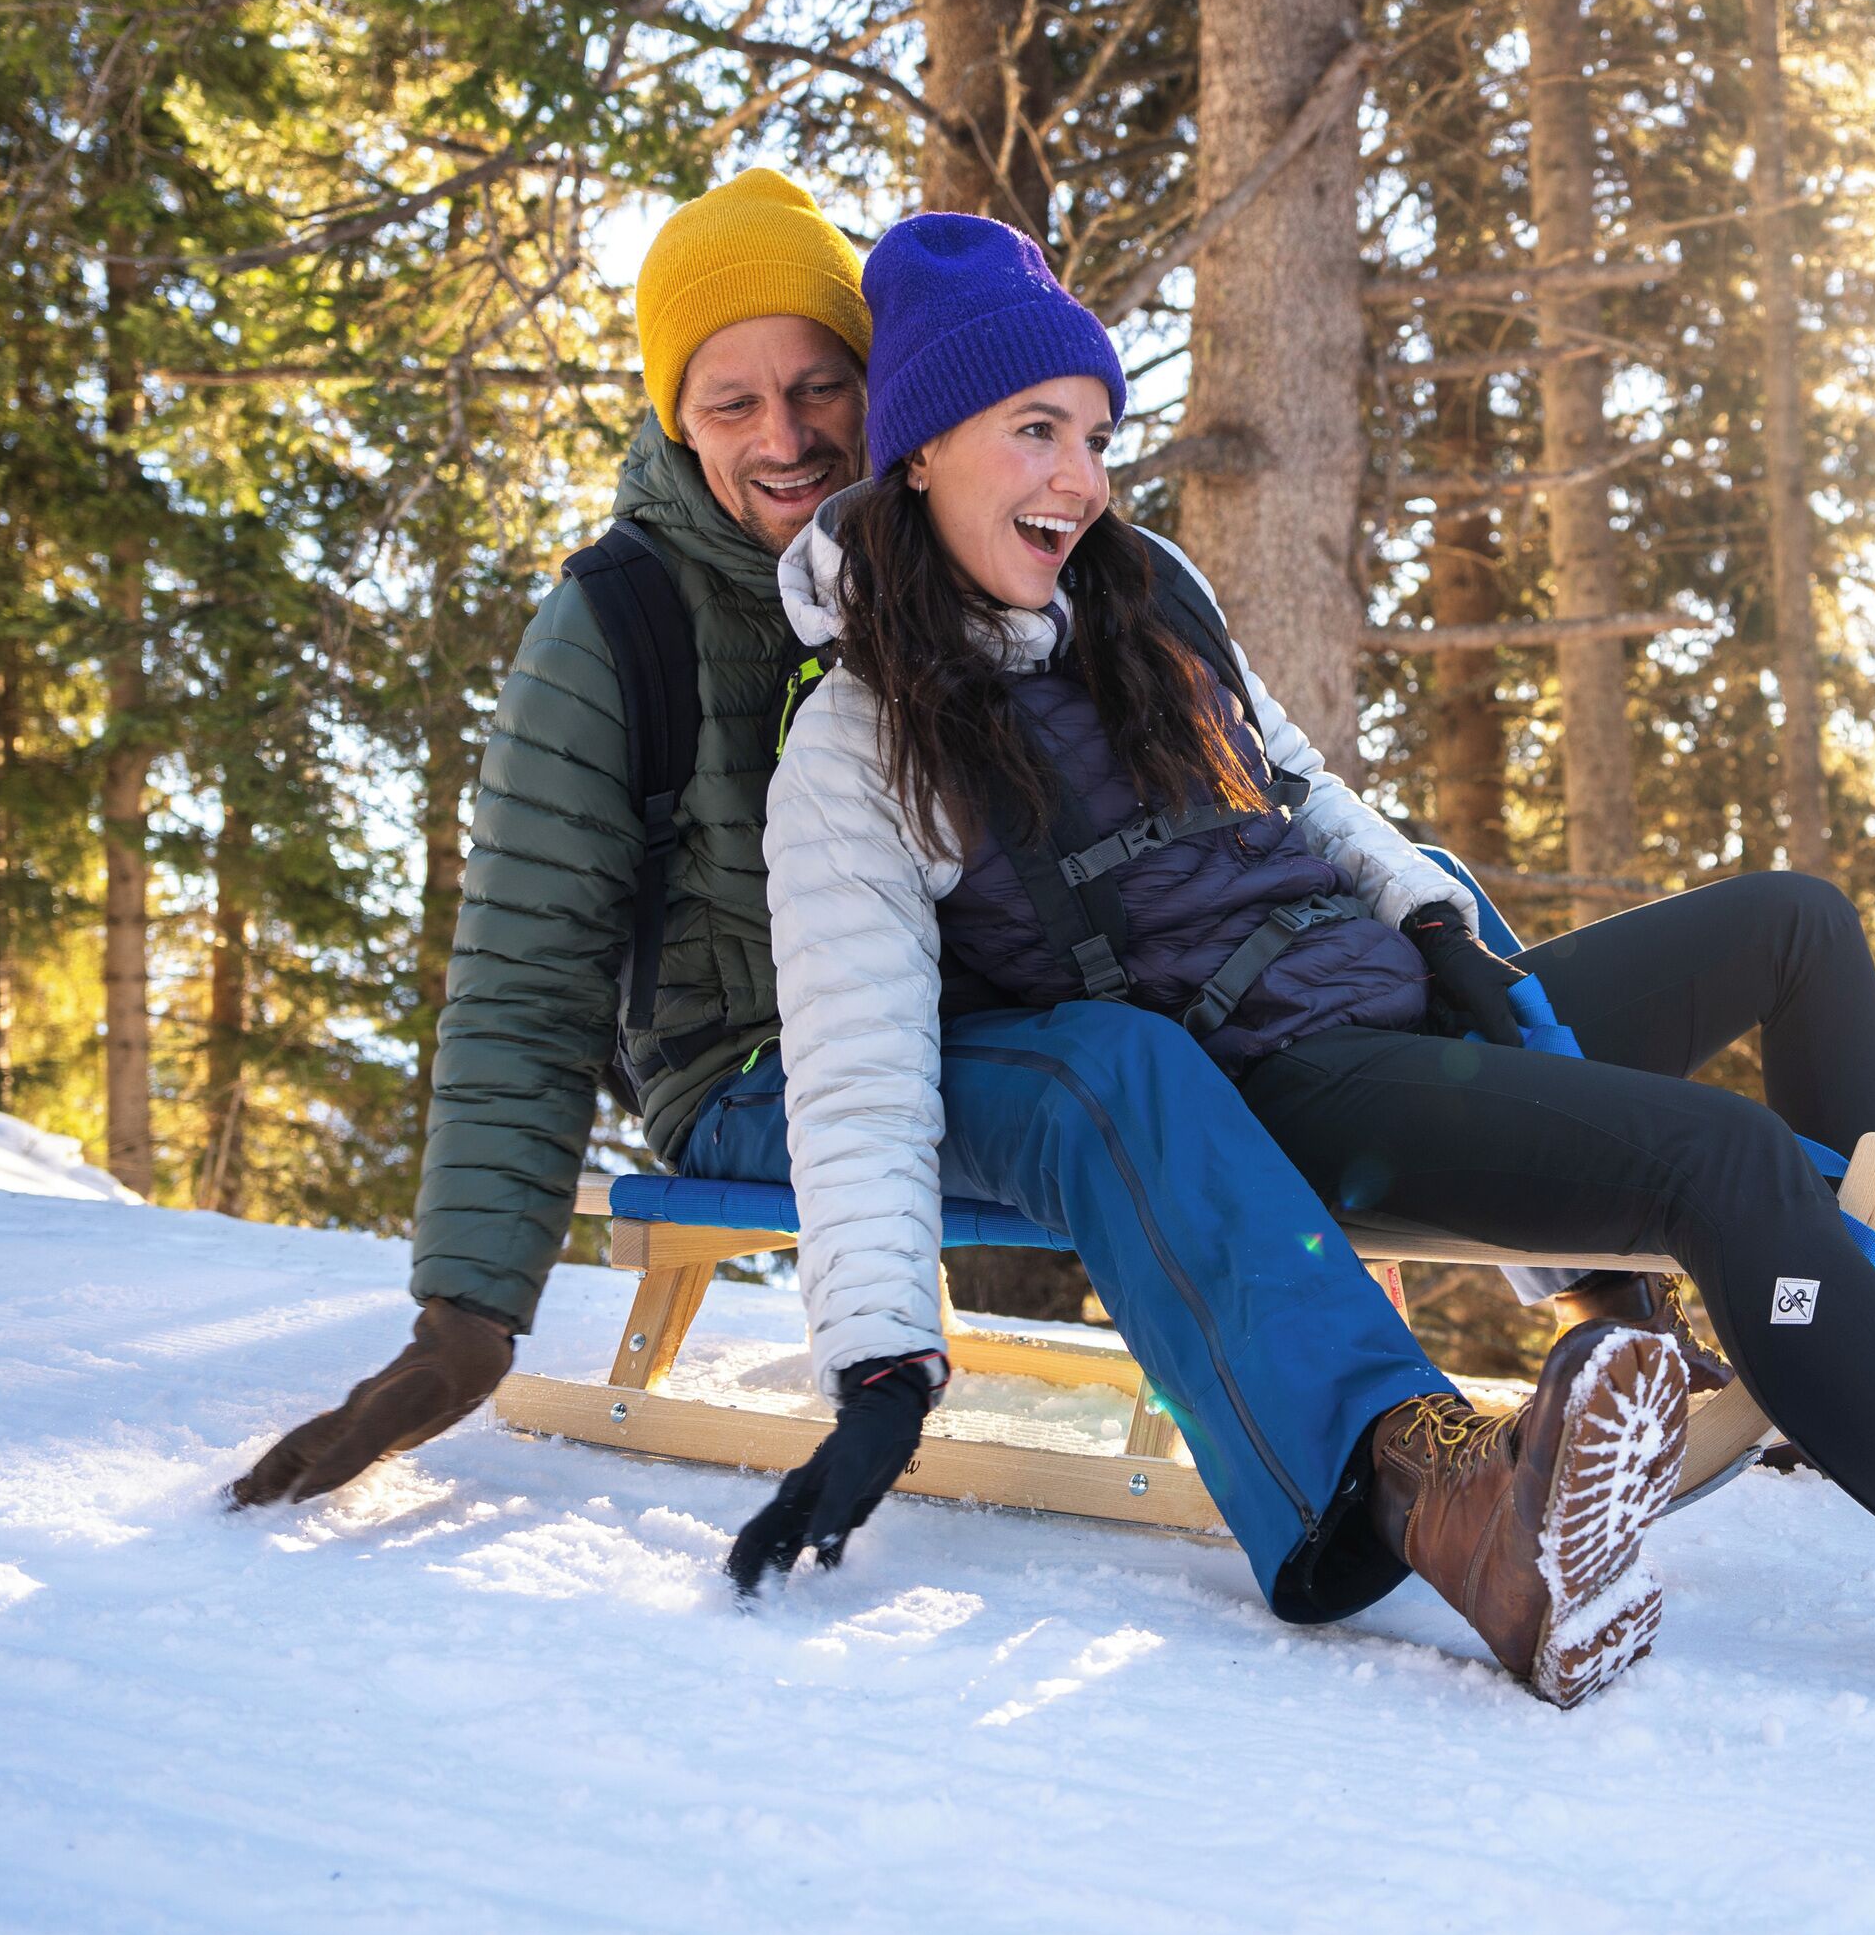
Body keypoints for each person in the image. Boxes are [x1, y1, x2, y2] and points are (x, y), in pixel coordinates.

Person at [762, 213, 1875, 1740]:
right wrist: (882, 1369)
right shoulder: (856, 741)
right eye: (1037, 431)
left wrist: (1436, 921)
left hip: (1391, 997)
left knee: (1793, 921)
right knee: (1714, 1161)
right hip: (1292, 1093)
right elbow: (859, 1068)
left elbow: (1305, 790)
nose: (1083, 481)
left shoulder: (1145, 592)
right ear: (924, 445)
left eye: (1098, 436)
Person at [223, 177, 1471, 1639]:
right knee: (1111, 1073)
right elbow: (526, 972)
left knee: (1300, 995)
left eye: (819, 386)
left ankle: (1658, 1302)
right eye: (732, 400)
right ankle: (1400, 1477)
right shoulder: (617, 627)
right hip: (758, 1066)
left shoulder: (976, 549)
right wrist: (465, 1318)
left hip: (989, 1014)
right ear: (677, 418)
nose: (786, 436)